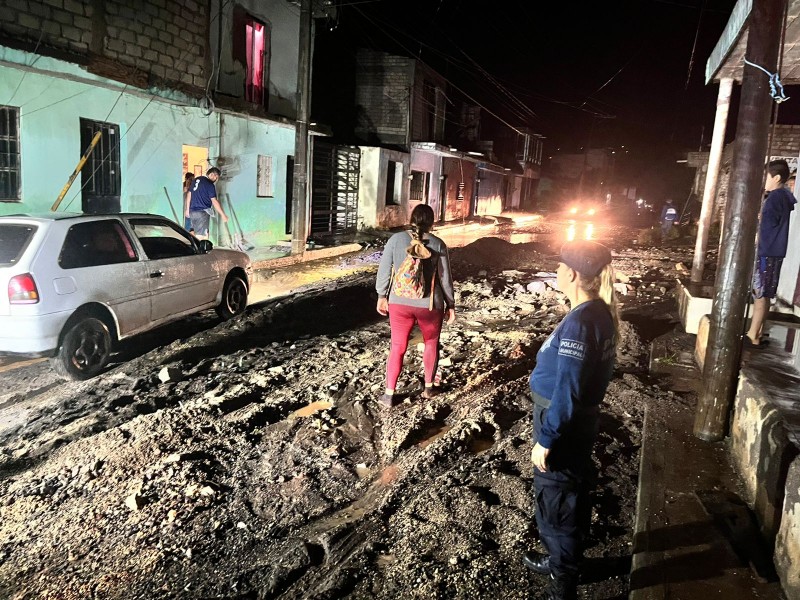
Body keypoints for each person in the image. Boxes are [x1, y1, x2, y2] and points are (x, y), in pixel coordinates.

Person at [522, 240, 618, 600]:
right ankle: (563, 559)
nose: (558, 270)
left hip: (562, 423)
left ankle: (563, 581)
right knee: (570, 491)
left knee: (556, 497)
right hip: (575, 421)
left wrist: (547, 438)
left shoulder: (581, 323)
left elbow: (569, 389)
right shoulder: (596, 312)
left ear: (574, 274)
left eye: (561, 266)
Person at [375, 205, 456, 407]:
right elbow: (445, 278)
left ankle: (389, 394)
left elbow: (384, 270)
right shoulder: (438, 244)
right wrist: (451, 304)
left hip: (399, 302)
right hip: (429, 305)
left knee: (397, 346)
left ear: (411, 219)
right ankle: (429, 388)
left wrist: (382, 295)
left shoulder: (395, 240)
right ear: (432, 221)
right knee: (431, 343)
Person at [745, 159, 797, 348]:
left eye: (765, 177)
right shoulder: (785, 196)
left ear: (776, 178)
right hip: (775, 251)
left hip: (766, 251)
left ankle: (752, 334)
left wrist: (756, 229)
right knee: (765, 294)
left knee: (759, 294)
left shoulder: (775, 198)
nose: (763, 181)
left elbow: (767, 226)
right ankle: (757, 332)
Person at [185, 166, 228, 240]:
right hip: (202, 213)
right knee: (202, 237)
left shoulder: (196, 180)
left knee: (192, 232)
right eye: (216, 177)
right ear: (211, 174)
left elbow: (189, 194)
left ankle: (190, 247)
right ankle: (200, 251)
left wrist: (187, 209)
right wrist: (223, 215)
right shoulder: (210, 185)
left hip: (192, 212)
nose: (216, 179)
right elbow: (214, 201)